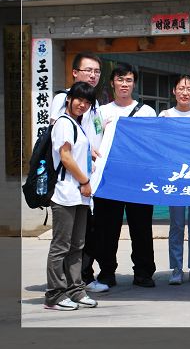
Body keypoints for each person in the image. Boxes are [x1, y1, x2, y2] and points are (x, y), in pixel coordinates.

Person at [93, 62, 158, 288]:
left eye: (128, 80)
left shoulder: (147, 112)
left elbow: (153, 144)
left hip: (138, 179)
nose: (124, 84)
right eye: (120, 79)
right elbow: (94, 143)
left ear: (134, 84)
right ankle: (106, 272)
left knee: (141, 228)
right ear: (112, 83)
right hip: (109, 179)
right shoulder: (101, 112)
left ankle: (143, 272)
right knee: (107, 229)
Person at [49, 52, 108, 294]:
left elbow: (95, 134)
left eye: (97, 71)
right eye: (88, 70)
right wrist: (84, 177)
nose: (93, 75)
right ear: (75, 73)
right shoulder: (64, 102)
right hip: (71, 182)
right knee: (64, 242)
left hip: (88, 181)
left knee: (83, 238)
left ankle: (78, 282)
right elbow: (63, 145)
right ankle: (58, 290)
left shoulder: (95, 105)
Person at [44, 81, 99, 310]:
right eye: (79, 99)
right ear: (69, 99)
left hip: (80, 196)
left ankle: (75, 290)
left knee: (77, 245)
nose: (82, 105)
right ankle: (54, 295)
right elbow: (66, 157)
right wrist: (85, 181)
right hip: (65, 193)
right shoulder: (64, 123)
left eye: (87, 102)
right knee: (61, 246)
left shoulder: (77, 124)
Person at [159, 75, 190, 285]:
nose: (185, 92)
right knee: (177, 224)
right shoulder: (165, 115)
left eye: (189, 89)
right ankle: (176, 268)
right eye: (181, 88)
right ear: (174, 91)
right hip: (176, 177)